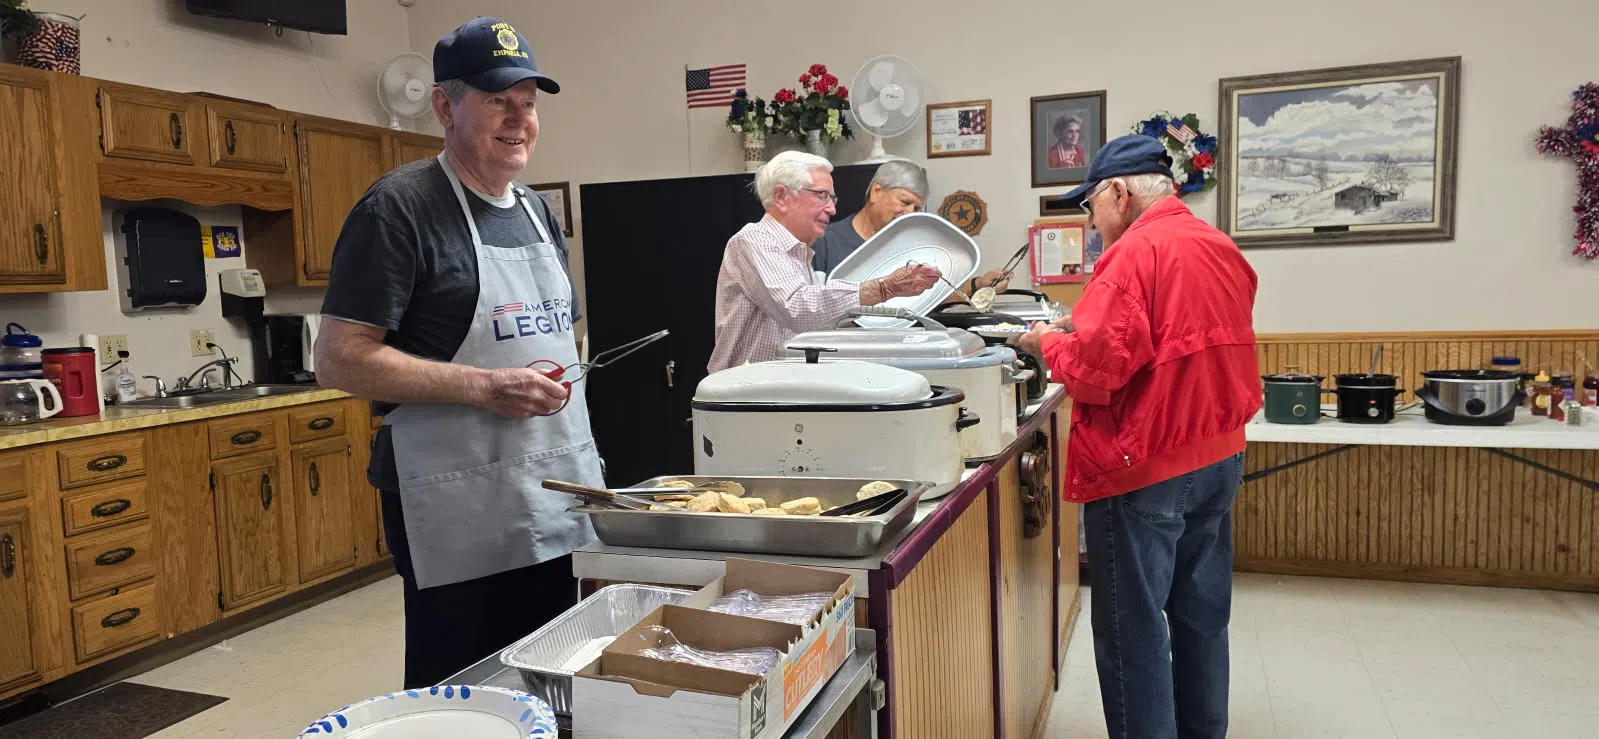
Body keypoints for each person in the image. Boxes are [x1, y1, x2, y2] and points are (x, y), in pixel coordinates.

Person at [313, 16, 594, 689]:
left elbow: (561, 334)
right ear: (445, 104)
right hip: (456, 506)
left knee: (554, 680)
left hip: (555, 493)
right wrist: (484, 387)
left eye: (527, 103)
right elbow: (338, 357)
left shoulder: (534, 210)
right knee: (465, 691)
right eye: (497, 99)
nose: (517, 119)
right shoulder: (399, 209)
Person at [1015, 134, 1262, 739]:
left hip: (1145, 467)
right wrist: (1085, 321)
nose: (1091, 222)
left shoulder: (1132, 254)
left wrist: (1044, 341)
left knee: (1133, 629)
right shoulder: (1217, 244)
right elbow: (1175, 327)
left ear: (1118, 193)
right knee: (1201, 616)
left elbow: (1096, 373)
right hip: (1219, 454)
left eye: (1090, 206)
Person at [708, 151, 942, 373]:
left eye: (832, 197)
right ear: (781, 197)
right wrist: (884, 288)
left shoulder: (800, 254)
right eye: (822, 195)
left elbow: (818, 326)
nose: (832, 208)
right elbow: (798, 308)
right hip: (744, 398)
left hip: (775, 392)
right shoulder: (754, 241)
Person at [810, 160, 1010, 301]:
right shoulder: (824, 242)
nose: (909, 213)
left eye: (916, 208)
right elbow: (812, 304)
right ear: (876, 192)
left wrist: (978, 285)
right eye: (905, 202)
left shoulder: (911, 246)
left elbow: (930, 296)